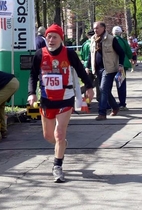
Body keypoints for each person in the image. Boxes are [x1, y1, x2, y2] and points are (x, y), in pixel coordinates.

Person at [27, 24, 94, 183]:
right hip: (46, 99)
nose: (51, 40)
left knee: (59, 133)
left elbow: (80, 70)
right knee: (49, 136)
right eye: (49, 36)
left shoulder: (69, 53)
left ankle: (57, 166)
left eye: (54, 37)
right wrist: (31, 94)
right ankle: (61, 145)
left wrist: (89, 87)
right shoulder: (39, 54)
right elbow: (32, 75)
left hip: (65, 97)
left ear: (60, 39)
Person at [86, 21, 125, 121]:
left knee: (103, 89)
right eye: (94, 28)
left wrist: (120, 65)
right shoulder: (93, 40)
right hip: (97, 69)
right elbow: (91, 54)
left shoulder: (111, 39)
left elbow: (121, 53)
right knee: (105, 90)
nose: (95, 30)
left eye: (97, 28)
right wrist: (87, 66)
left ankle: (102, 113)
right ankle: (115, 107)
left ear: (103, 28)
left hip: (108, 69)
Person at [112, 26, 133, 110]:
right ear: (120, 33)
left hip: (110, 65)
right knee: (121, 85)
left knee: (107, 85)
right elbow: (129, 53)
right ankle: (122, 103)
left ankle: (107, 103)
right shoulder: (123, 41)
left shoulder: (109, 40)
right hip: (121, 66)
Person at [80, 30, 96, 101]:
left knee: (87, 84)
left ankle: (87, 102)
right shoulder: (95, 43)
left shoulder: (84, 44)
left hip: (86, 65)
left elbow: (82, 55)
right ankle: (101, 100)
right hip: (95, 65)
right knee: (98, 84)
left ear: (87, 36)